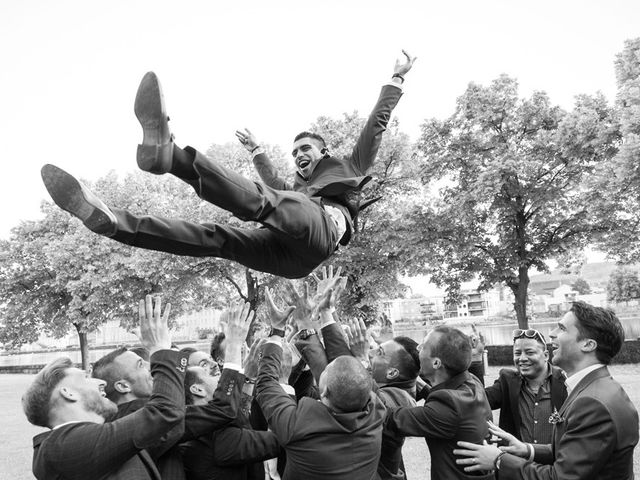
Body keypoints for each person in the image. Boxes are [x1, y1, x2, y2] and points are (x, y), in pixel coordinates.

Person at [40, 51, 416, 280]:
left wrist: (396, 78)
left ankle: (172, 158)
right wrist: (256, 150)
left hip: (322, 234)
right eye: (295, 152)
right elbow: (271, 182)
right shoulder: (295, 190)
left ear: (323, 151)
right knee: (218, 239)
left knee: (273, 203)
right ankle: (117, 225)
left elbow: (376, 125)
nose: (300, 154)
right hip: (290, 257)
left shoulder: (350, 164)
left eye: (306, 149)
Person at [22, 294, 236, 480]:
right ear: (67, 393)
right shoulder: (61, 447)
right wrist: (160, 349)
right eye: (85, 378)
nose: (100, 382)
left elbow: (194, 414)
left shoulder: (105, 438)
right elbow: (165, 412)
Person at [454, 301, 639, 479]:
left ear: (588, 345)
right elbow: (573, 451)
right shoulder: (597, 388)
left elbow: (561, 477)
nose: (552, 333)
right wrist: (527, 449)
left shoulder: (592, 403)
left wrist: (499, 460)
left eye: (562, 328)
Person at [255, 287, 386, 479]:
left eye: (322, 373)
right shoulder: (376, 411)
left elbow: (266, 383)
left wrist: (276, 329)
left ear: (323, 392)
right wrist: (325, 313)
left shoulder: (296, 426)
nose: (321, 369)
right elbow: (345, 369)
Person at [383, 326, 495, 480]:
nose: (418, 348)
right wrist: (417, 381)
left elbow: (391, 418)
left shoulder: (447, 406)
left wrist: (361, 361)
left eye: (423, 346)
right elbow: (442, 396)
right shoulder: (471, 382)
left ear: (436, 363)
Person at [484, 328, 567, 445]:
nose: (522, 358)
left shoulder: (564, 381)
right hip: (515, 461)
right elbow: (478, 400)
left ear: (546, 355)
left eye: (529, 352)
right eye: (517, 353)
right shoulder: (507, 381)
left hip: (556, 460)